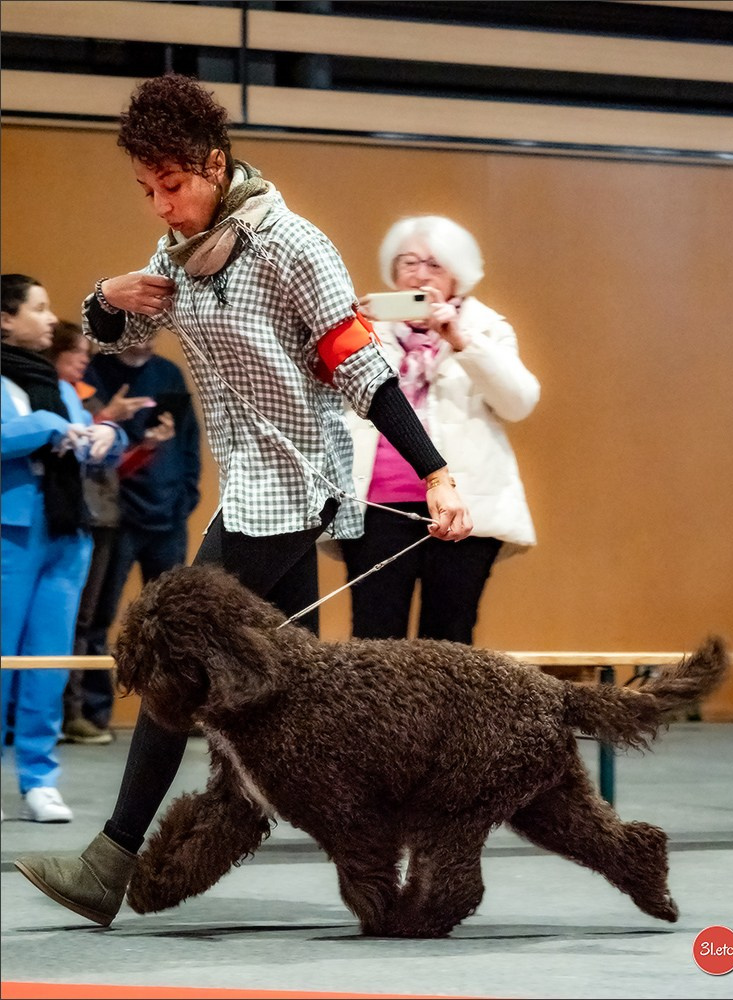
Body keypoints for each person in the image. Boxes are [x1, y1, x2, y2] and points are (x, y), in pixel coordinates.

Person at [14, 74, 471, 923]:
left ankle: (110, 860)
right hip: (249, 479)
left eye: (173, 186)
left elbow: (363, 369)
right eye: (146, 191)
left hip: (295, 483)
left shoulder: (296, 245)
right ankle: (372, 851)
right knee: (286, 698)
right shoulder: (174, 255)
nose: (160, 207)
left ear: (215, 165)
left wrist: (436, 471)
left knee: (173, 654)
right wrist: (103, 301)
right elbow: (131, 339)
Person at [340, 216, 540, 643]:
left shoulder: (486, 329)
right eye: (408, 262)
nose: (419, 274)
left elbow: (519, 402)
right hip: (378, 507)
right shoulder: (368, 329)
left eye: (434, 264)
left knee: (449, 642)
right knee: (374, 644)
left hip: (462, 514)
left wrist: (459, 338)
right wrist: (350, 329)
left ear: (459, 274)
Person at [1, 276, 126, 822]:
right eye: (40, 308)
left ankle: (39, 777)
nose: (52, 319)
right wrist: (49, 426)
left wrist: (108, 438)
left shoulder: (55, 382)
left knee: (50, 660)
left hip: (65, 532)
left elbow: (92, 438)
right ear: (5, 319)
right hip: (11, 533)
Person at [44, 322, 174, 745]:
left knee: (88, 618)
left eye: (86, 351)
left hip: (102, 514)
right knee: (74, 621)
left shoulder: (81, 393)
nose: (85, 358)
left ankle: (73, 713)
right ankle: (66, 713)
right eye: (76, 352)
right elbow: (70, 448)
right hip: (69, 516)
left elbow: (110, 460)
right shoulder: (52, 393)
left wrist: (145, 443)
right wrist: (106, 418)